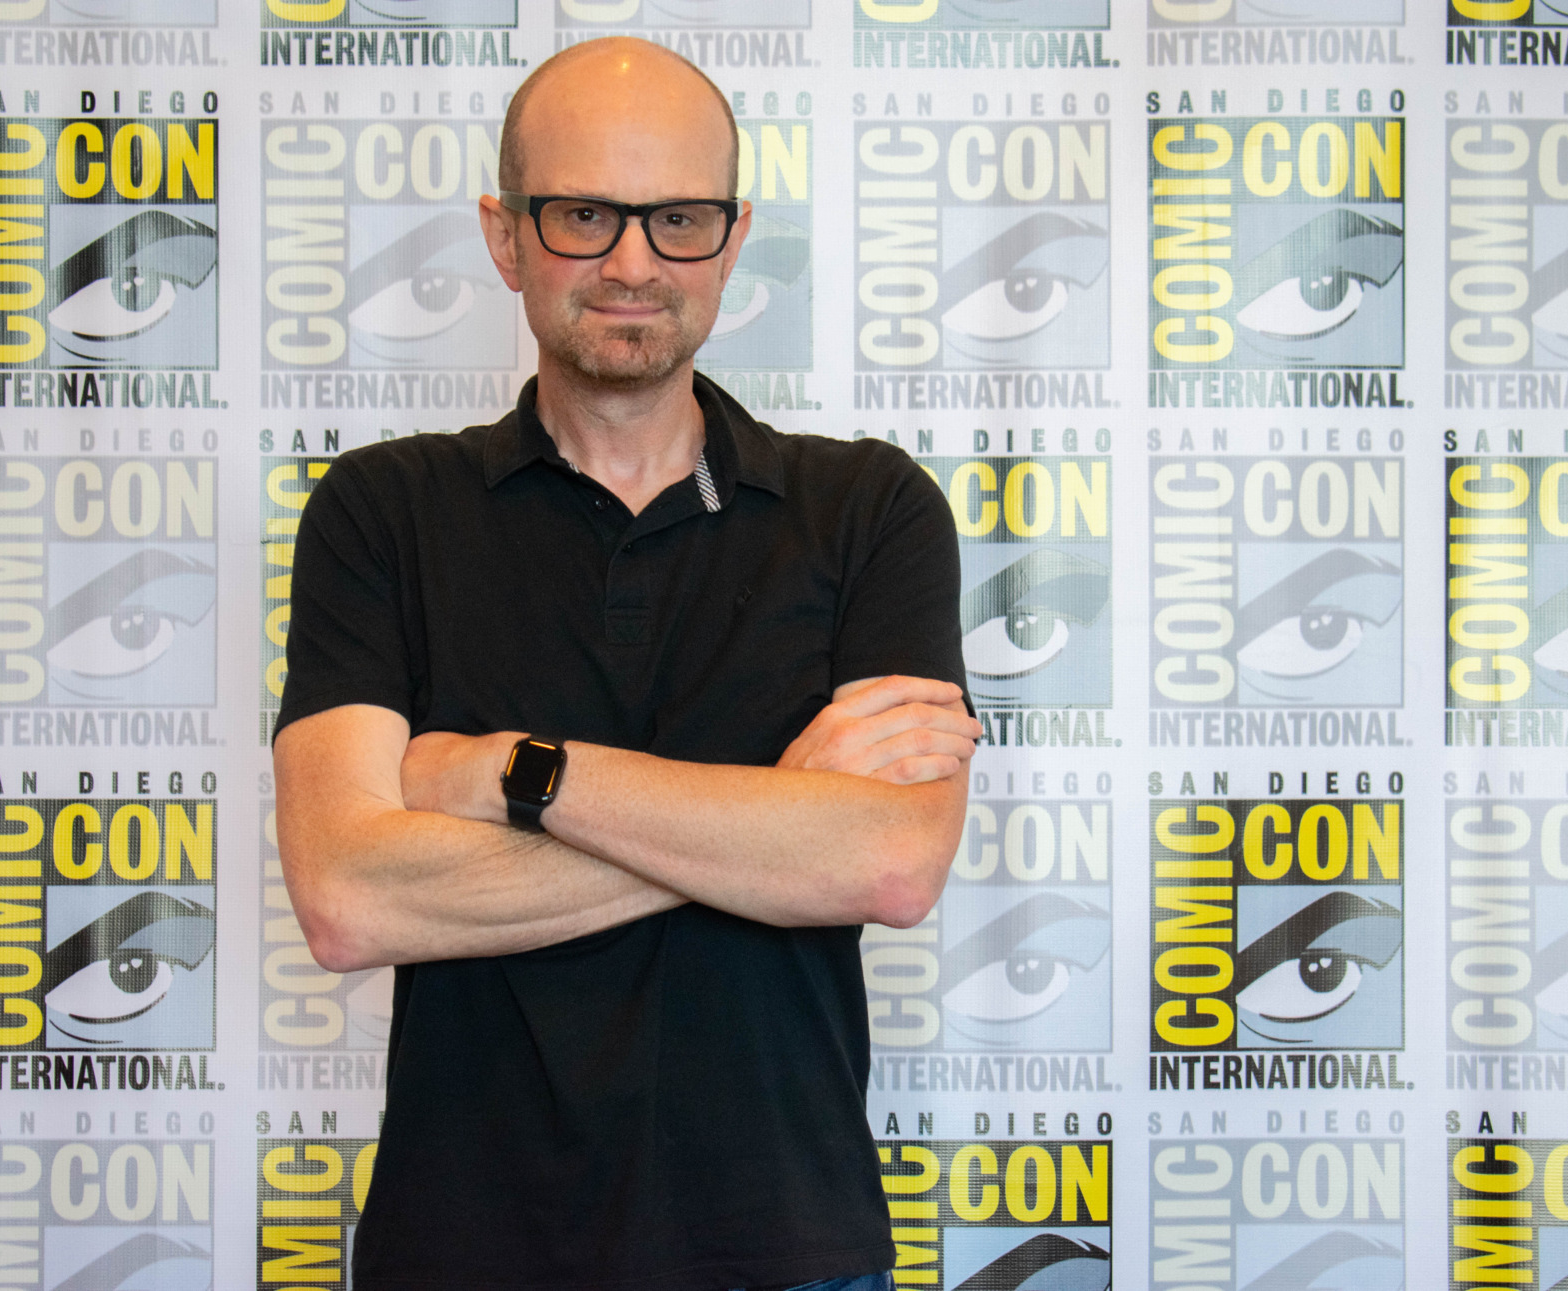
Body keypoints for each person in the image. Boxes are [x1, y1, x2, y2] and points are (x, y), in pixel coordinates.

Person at [272, 35, 980, 1291]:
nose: (634, 262)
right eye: (585, 214)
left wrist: (511, 773)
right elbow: (349, 898)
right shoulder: (384, 509)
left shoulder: (869, 506)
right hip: (462, 1249)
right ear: (505, 236)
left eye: (679, 219)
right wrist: (771, 813)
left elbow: (885, 859)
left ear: (733, 232)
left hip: (786, 1249)